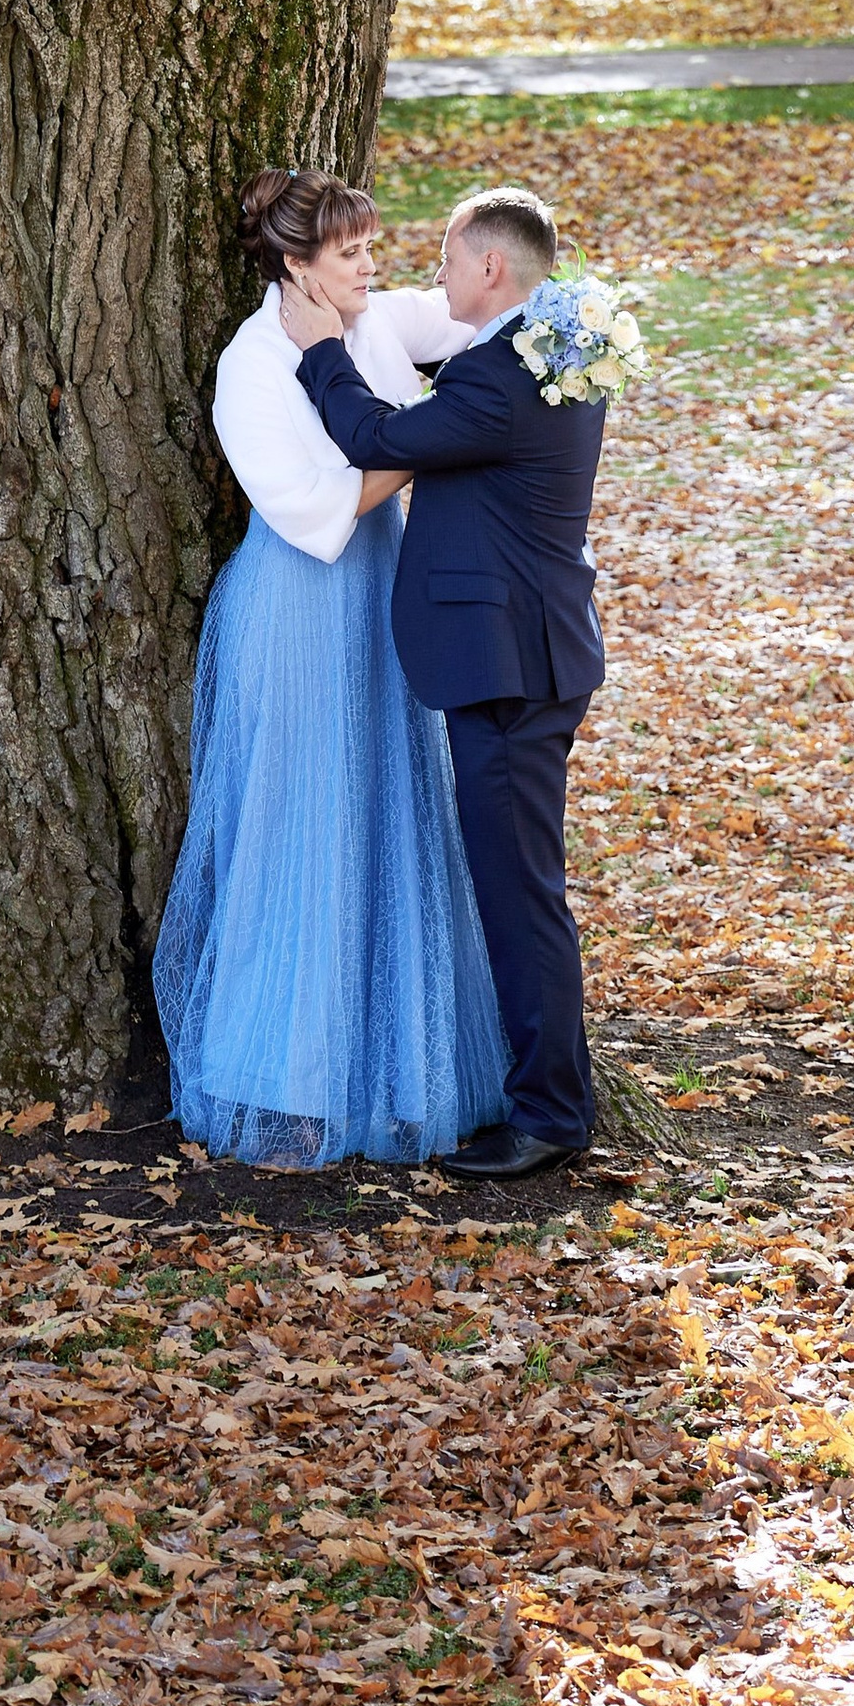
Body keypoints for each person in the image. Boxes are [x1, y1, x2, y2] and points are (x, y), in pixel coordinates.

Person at [153, 167, 511, 1169]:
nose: (368, 266)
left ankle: (397, 1078)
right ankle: (291, 1084)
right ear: (295, 265)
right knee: (304, 833)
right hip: (302, 611)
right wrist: (435, 443)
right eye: (348, 253)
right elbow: (314, 511)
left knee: (388, 819)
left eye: (368, 247)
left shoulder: (377, 322)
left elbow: (486, 311)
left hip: (386, 602)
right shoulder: (254, 364)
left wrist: (572, 318)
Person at [284, 184, 605, 1181]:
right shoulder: (559, 346)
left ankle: (550, 1114)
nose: (435, 272)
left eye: (447, 258)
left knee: (519, 896)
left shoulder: (504, 380)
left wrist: (318, 350)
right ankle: (547, 1097)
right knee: (522, 889)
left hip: (507, 664)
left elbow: (376, 440)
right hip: (535, 644)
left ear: (491, 270)